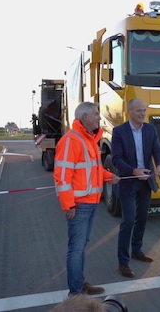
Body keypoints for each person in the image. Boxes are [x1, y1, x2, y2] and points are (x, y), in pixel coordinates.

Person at [53, 102, 120, 296]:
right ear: (85, 117)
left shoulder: (88, 139)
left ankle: (80, 284)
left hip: (89, 203)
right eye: (96, 114)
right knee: (76, 249)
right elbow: (62, 177)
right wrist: (69, 205)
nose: (99, 117)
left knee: (81, 247)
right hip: (79, 205)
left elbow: (93, 170)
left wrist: (109, 177)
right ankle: (75, 293)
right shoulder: (71, 140)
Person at [111, 98, 160, 278]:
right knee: (129, 220)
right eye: (139, 111)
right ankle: (123, 262)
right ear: (129, 112)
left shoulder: (150, 129)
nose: (142, 114)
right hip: (128, 181)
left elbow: (158, 149)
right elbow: (116, 158)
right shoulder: (119, 132)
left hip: (146, 181)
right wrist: (134, 171)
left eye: (144, 111)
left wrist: (159, 165)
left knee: (142, 218)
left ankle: (136, 250)